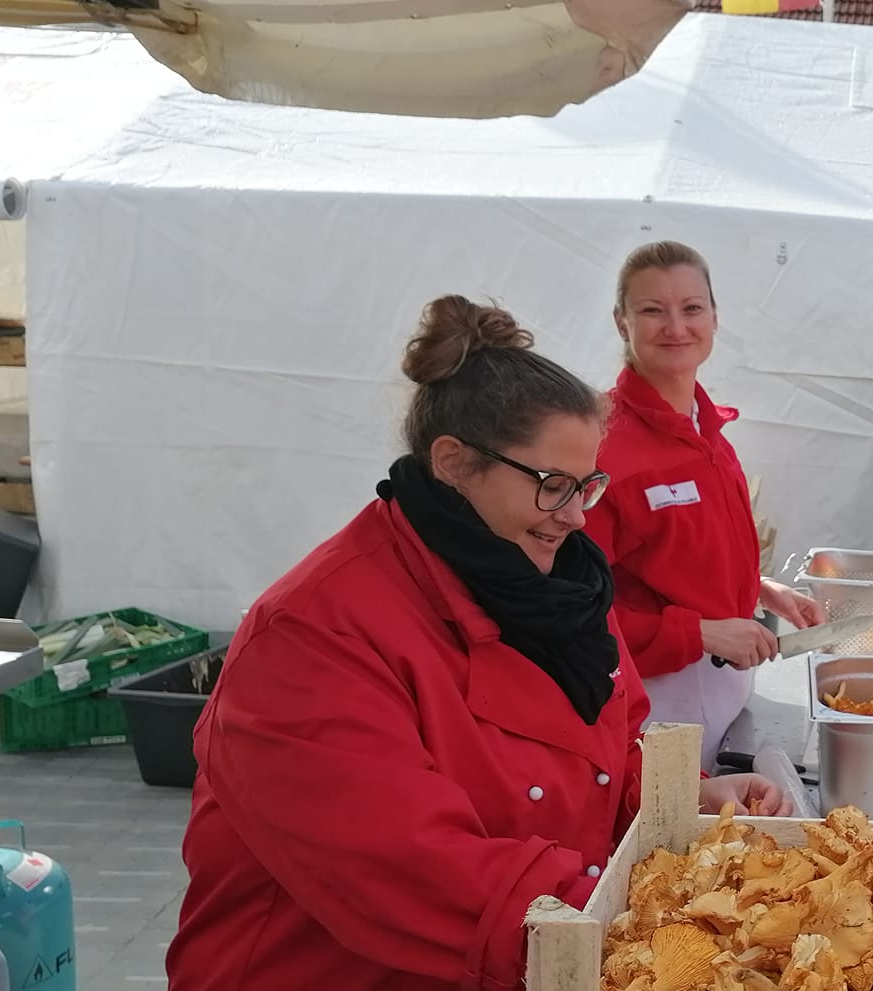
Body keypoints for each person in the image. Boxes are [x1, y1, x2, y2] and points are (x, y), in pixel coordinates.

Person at [166, 295, 786, 990]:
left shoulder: (559, 586)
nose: (576, 517)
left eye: (587, 486)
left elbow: (608, 752)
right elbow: (408, 868)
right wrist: (653, 919)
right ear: (455, 462)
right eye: (553, 486)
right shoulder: (314, 633)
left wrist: (687, 799)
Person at [585, 241, 825, 769]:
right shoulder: (600, 447)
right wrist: (698, 633)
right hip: (652, 703)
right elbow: (573, 610)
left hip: (725, 687)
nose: (676, 327)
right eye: (653, 310)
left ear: (715, 318)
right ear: (622, 323)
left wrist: (758, 587)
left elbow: (678, 548)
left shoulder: (706, 425)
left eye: (692, 308)